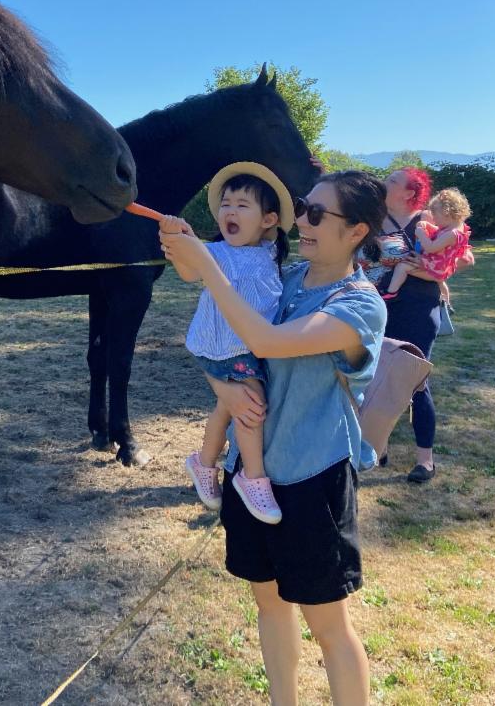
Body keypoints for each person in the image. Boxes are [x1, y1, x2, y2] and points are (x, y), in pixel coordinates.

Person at [159, 170, 387, 706]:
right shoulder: (282, 277)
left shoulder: (359, 306)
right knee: (269, 605)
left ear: (357, 231)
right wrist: (225, 389)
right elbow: (223, 346)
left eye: (317, 214)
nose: (301, 220)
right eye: (303, 207)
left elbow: (265, 340)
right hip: (250, 474)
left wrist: (209, 266)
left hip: (311, 477)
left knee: (329, 627)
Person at [172, 163, 293, 524]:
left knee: (226, 407)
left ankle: (204, 462)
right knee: (251, 408)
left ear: (268, 220)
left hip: (247, 344)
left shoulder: (270, 252)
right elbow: (189, 271)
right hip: (226, 346)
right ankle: (252, 477)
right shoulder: (217, 251)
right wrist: (180, 243)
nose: (230, 211)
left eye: (242, 205)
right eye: (226, 204)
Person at [373, 167, 443, 482]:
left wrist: (418, 269)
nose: (384, 183)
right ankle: (378, 447)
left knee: (416, 381)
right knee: (375, 376)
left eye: (392, 181)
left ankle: (425, 461)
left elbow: (452, 263)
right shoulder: (376, 219)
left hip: (419, 307)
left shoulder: (429, 220)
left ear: (409, 193)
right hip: (379, 305)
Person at [382, 188, 472, 301]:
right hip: (439, 268)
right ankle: (446, 301)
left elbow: (431, 248)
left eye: (435, 216)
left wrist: (421, 234)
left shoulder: (452, 234)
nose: (433, 219)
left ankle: (391, 293)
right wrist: (426, 225)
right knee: (440, 282)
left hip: (435, 268)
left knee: (402, 267)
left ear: (446, 214)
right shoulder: (455, 228)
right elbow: (438, 233)